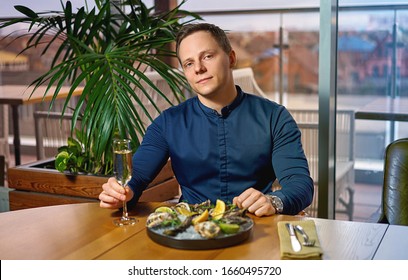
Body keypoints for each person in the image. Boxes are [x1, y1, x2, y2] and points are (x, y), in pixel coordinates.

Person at [99, 23, 314, 216]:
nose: (199, 68)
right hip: (191, 231)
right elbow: (135, 179)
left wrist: (274, 201)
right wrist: (120, 194)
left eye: (207, 56)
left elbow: (300, 184)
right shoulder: (168, 122)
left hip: (256, 229)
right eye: (189, 63)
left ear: (231, 58)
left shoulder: (274, 117)